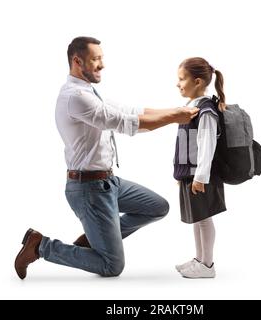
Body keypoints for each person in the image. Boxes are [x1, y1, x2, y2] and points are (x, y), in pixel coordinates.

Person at [14, 36, 198, 279]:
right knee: (112, 266)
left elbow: (131, 112)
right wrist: (175, 118)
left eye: (102, 58)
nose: (102, 64)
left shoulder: (88, 91)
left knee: (157, 207)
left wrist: (176, 110)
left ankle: (97, 237)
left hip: (109, 183)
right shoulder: (75, 97)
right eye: (96, 59)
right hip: (88, 189)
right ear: (77, 61)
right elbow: (124, 123)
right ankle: (41, 246)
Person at [173, 57, 227, 278]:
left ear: (197, 81)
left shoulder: (206, 109)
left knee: (204, 217)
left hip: (201, 175)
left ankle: (207, 264)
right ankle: (199, 259)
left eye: (181, 79)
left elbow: (207, 145)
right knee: (197, 217)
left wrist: (200, 177)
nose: (178, 83)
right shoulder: (193, 107)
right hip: (192, 174)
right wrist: (183, 173)